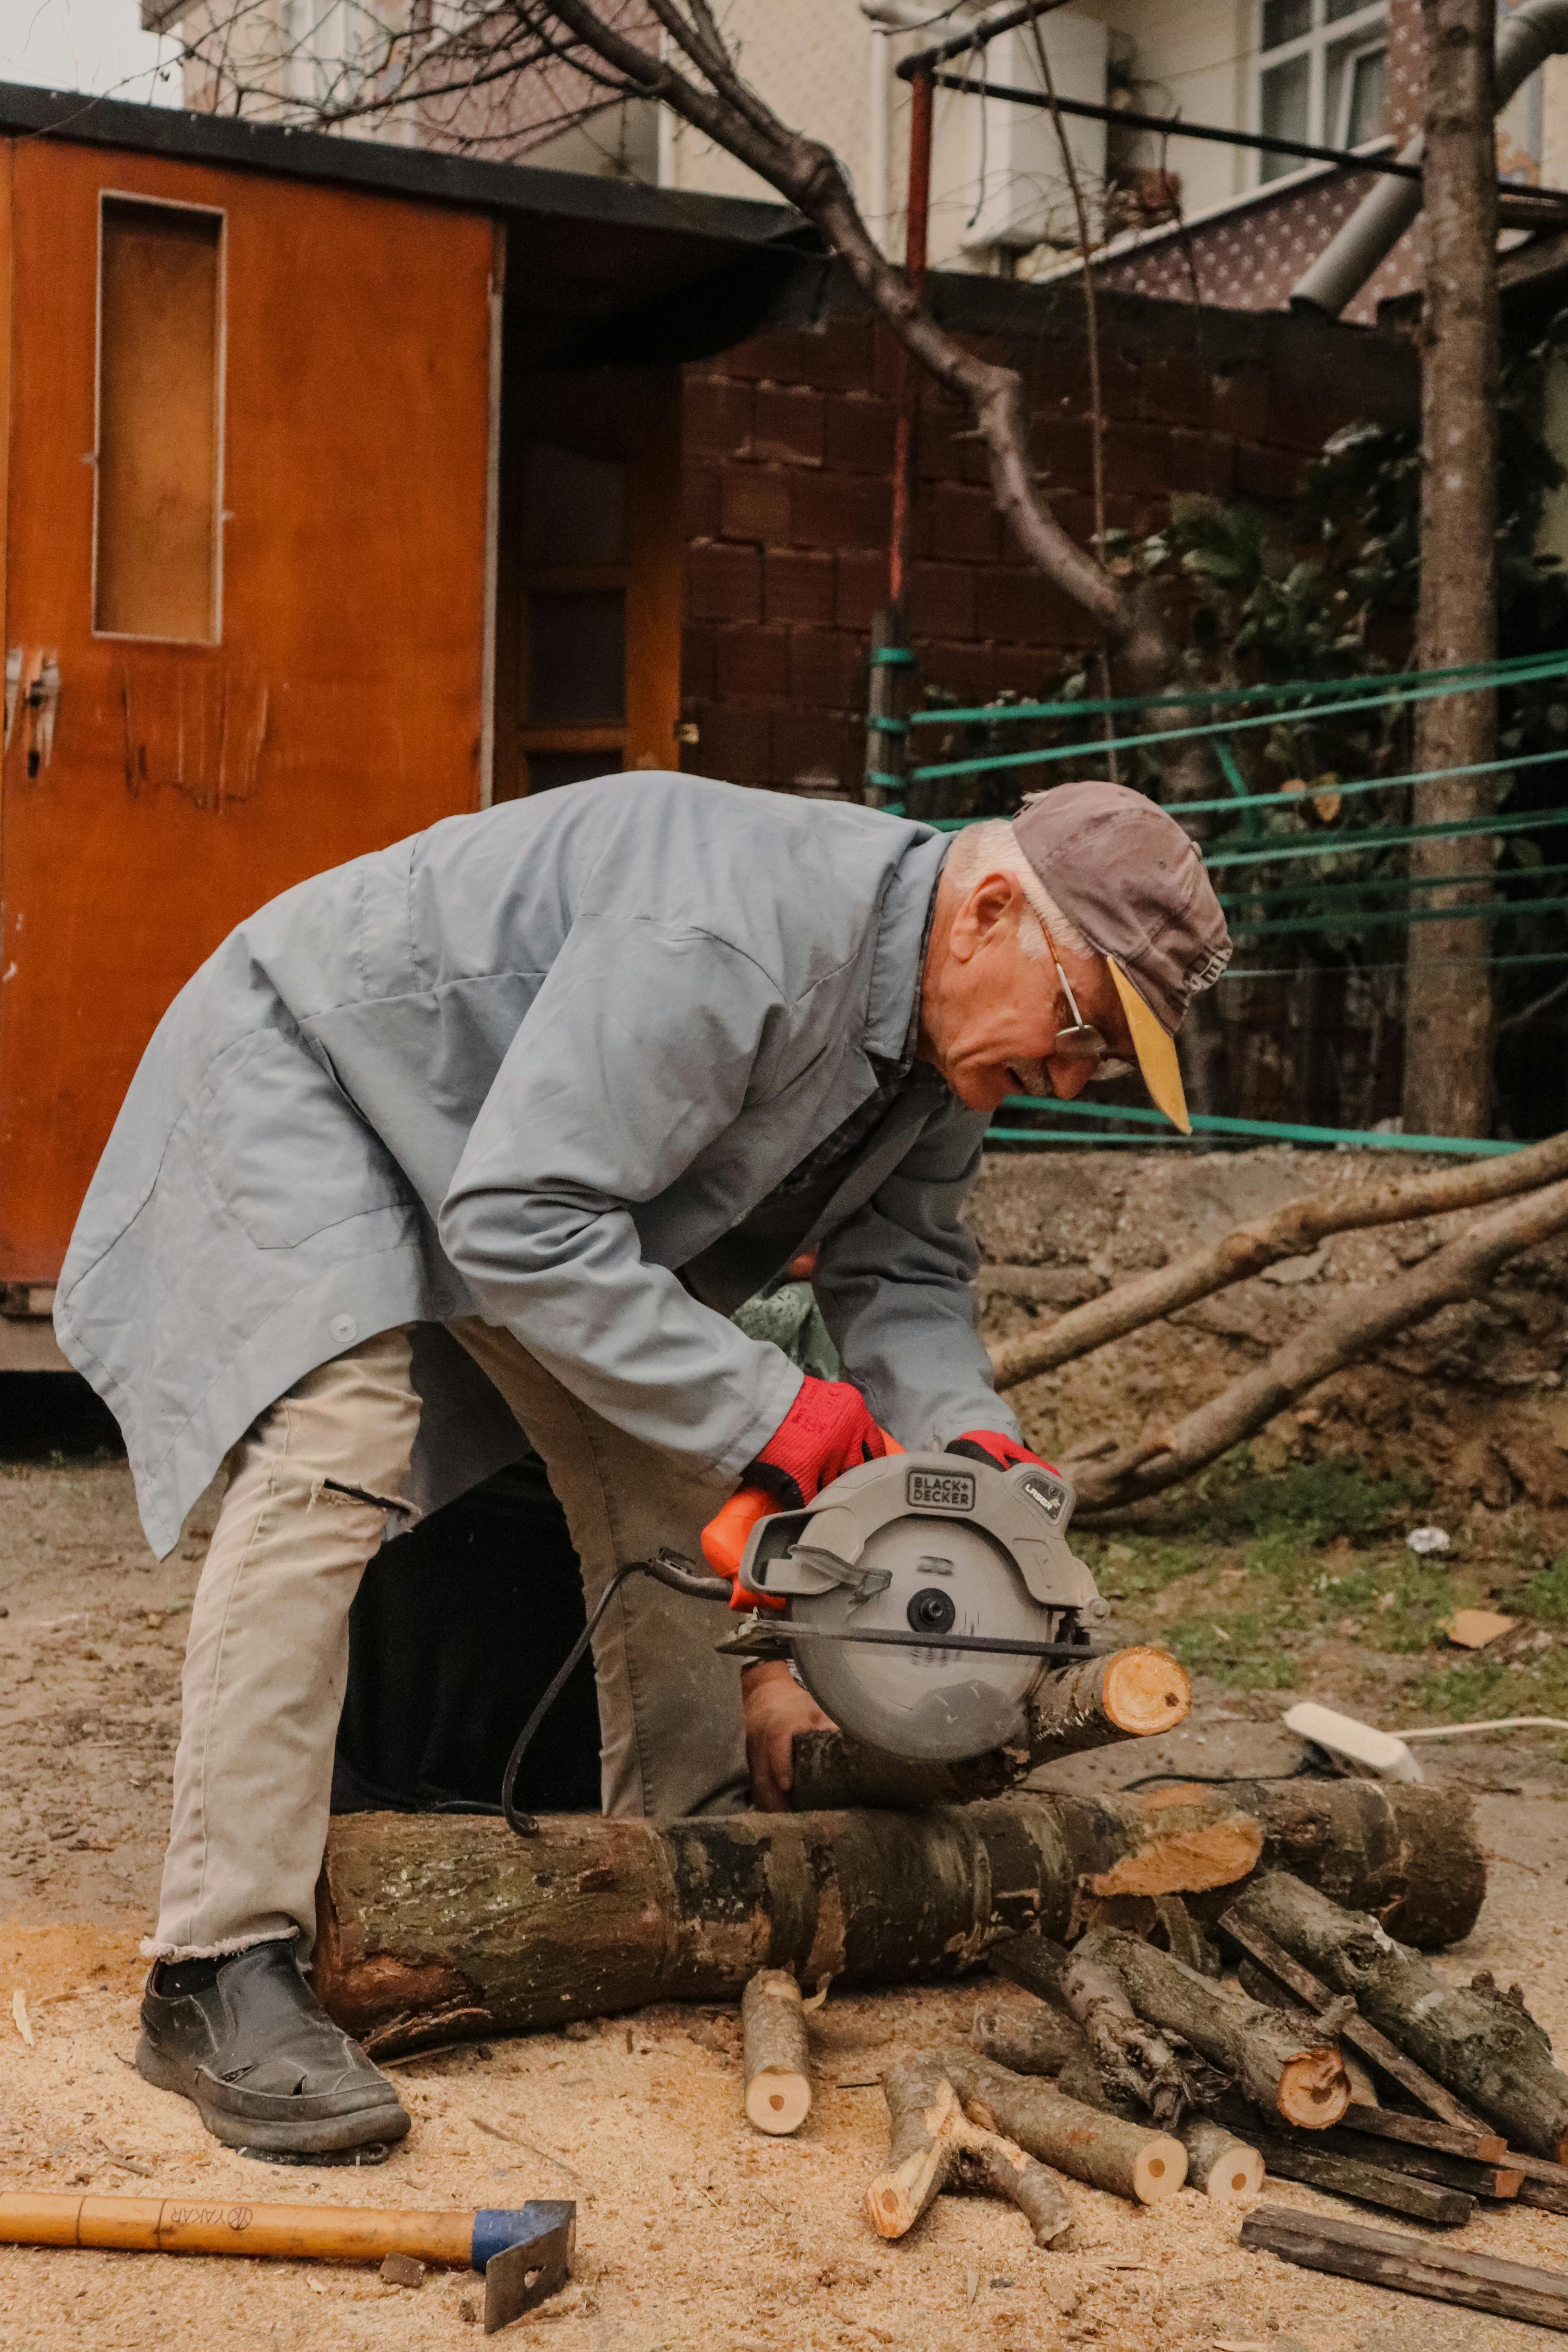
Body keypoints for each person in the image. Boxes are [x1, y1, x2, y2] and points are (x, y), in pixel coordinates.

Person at [56, 771, 1229, 2156]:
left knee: (684, 1486)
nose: (1074, 1074)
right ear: (986, 913)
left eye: (1109, 1057)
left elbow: (904, 1269)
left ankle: (695, 1888)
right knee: (340, 1439)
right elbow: (524, 1222)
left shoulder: (942, 1045)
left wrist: (967, 1440)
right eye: (1084, 1024)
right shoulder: (736, 934)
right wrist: (778, 1415)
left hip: (511, 1176)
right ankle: (215, 1971)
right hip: (311, 1082)